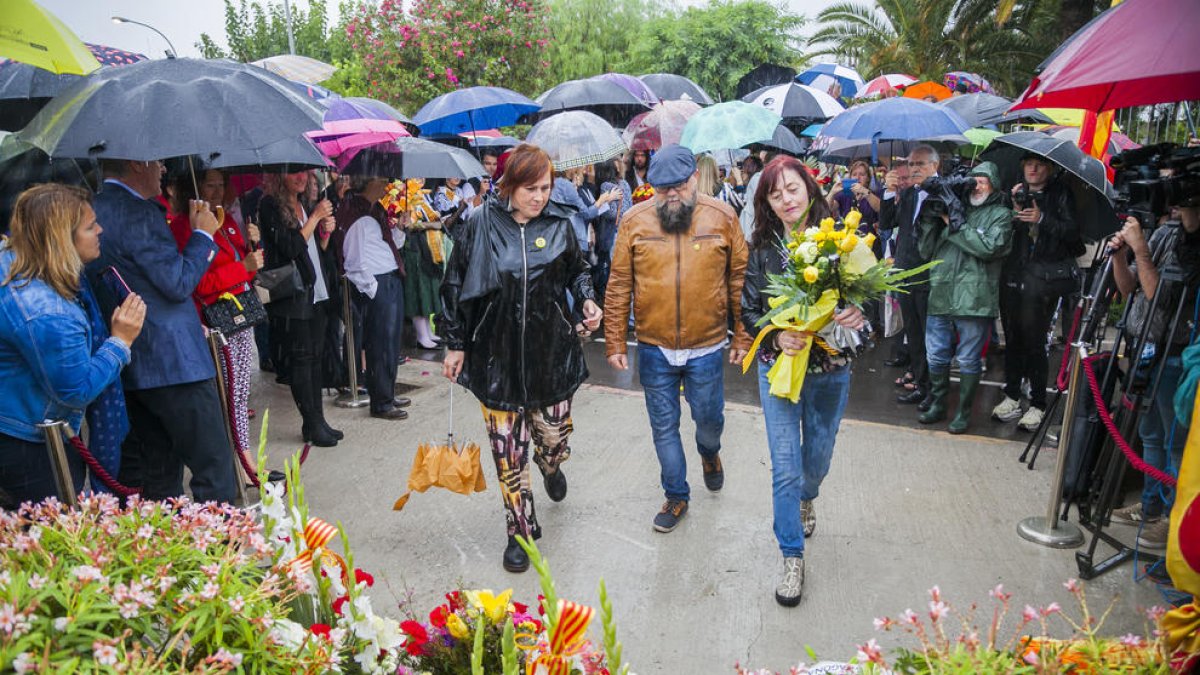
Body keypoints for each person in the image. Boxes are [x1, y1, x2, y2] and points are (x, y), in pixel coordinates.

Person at [441, 144, 602, 573]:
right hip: (496, 358)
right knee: (507, 453)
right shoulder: (479, 225)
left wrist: (587, 300)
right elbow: (455, 285)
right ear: (509, 186)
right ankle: (520, 530)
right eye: (530, 188)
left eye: (546, 188)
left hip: (551, 356)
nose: (539, 197)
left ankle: (550, 467)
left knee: (554, 440)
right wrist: (456, 343)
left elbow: (579, 271)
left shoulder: (561, 224)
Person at [740, 155, 867, 607]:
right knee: (785, 467)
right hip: (778, 368)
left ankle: (809, 497)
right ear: (767, 203)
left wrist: (858, 313)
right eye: (775, 195)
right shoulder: (762, 249)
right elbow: (750, 312)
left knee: (817, 458)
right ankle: (791, 555)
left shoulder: (841, 243)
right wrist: (778, 335)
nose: (785, 200)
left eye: (791, 189)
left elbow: (866, 299)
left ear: (809, 190)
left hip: (831, 368)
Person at [604, 144, 751, 533]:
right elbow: (619, 283)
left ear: (692, 181)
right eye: (661, 188)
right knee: (664, 427)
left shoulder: (722, 217)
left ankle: (710, 452)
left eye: (677, 187)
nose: (670, 195)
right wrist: (616, 341)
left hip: (706, 346)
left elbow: (739, 279)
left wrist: (743, 337)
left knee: (708, 419)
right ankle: (676, 495)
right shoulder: (635, 221)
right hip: (654, 346)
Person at [86, 159, 237, 503]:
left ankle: (166, 552)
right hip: (175, 362)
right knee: (213, 469)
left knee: (160, 473)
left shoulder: (93, 208)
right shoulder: (139, 212)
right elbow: (177, 282)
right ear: (136, 164)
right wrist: (202, 234)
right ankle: (220, 552)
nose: (163, 170)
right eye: (156, 162)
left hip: (133, 361)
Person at [0, 185, 146, 506]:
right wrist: (120, 341)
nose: (100, 230)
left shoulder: (11, 261)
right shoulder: (48, 313)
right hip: (33, 444)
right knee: (55, 541)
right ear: (62, 239)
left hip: (14, 424)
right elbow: (75, 389)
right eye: (90, 226)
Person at [1107, 205, 1200, 549]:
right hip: (1143, 346)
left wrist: (1142, 250)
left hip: (1174, 351)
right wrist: (1120, 255)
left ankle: (1173, 520)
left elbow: (1161, 297)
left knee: (1175, 441)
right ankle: (1150, 506)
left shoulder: (1191, 244)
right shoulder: (1164, 232)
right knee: (1150, 434)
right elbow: (1130, 285)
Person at [168, 170, 264, 457]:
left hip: (240, 315)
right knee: (230, 394)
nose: (217, 191)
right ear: (192, 188)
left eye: (221, 184)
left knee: (239, 391)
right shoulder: (185, 227)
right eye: (210, 185)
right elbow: (195, 283)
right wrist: (242, 266)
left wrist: (252, 246)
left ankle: (241, 456)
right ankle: (242, 460)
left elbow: (247, 272)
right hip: (214, 322)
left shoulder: (226, 220)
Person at [915, 162, 1013, 434]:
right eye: (973, 180)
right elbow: (926, 251)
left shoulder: (1001, 215)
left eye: (983, 181)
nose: (976, 186)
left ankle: (963, 412)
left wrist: (954, 223)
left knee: (969, 359)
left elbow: (989, 248)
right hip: (941, 292)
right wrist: (928, 218)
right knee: (935, 355)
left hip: (975, 299)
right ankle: (937, 404)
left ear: (994, 185)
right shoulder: (954, 207)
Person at [993, 154, 1084, 431]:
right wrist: (1010, 208)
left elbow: (1073, 235)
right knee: (1012, 337)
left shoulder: (1061, 194)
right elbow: (1002, 232)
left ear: (1051, 168)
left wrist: (1042, 218)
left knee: (1035, 341)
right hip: (1014, 274)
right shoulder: (1015, 190)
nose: (1033, 169)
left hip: (1044, 279)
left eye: (1040, 164)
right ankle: (1011, 394)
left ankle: (1038, 403)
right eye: (1029, 163)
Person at [259, 169, 342, 447]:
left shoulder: (303, 204)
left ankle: (317, 421)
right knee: (302, 362)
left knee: (315, 359)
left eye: (305, 172)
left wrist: (325, 235)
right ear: (279, 174)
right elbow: (292, 246)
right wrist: (317, 216)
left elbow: (313, 249)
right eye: (294, 172)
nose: (302, 177)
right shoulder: (270, 205)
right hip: (291, 297)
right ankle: (311, 422)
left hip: (313, 291)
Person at [340, 175, 411, 421]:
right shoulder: (357, 214)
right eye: (381, 181)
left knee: (391, 342)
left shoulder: (375, 209)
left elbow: (391, 244)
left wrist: (400, 227)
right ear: (369, 182)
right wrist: (373, 289)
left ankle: (387, 392)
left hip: (389, 278)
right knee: (380, 344)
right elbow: (353, 259)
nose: (385, 185)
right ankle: (381, 402)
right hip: (378, 283)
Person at [879, 146, 940, 408]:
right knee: (913, 333)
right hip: (905, 270)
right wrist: (890, 191)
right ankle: (919, 383)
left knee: (930, 337)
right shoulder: (910, 194)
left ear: (934, 166)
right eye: (912, 164)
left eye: (920, 164)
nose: (914, 169)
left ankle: (933, 392)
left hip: (929, 273)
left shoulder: (943, 193)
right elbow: (886, 224)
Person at [402, 178, 445, 350]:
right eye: (415, 176)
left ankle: (427, 331)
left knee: (427, 290)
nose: (419, 179)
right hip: (412, 248)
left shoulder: (423, 196)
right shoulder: (402, 196)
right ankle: (421, 336)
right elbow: (409, 225)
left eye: (421, 177)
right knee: (418, 291)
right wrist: (430, 224)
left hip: (425, 248)